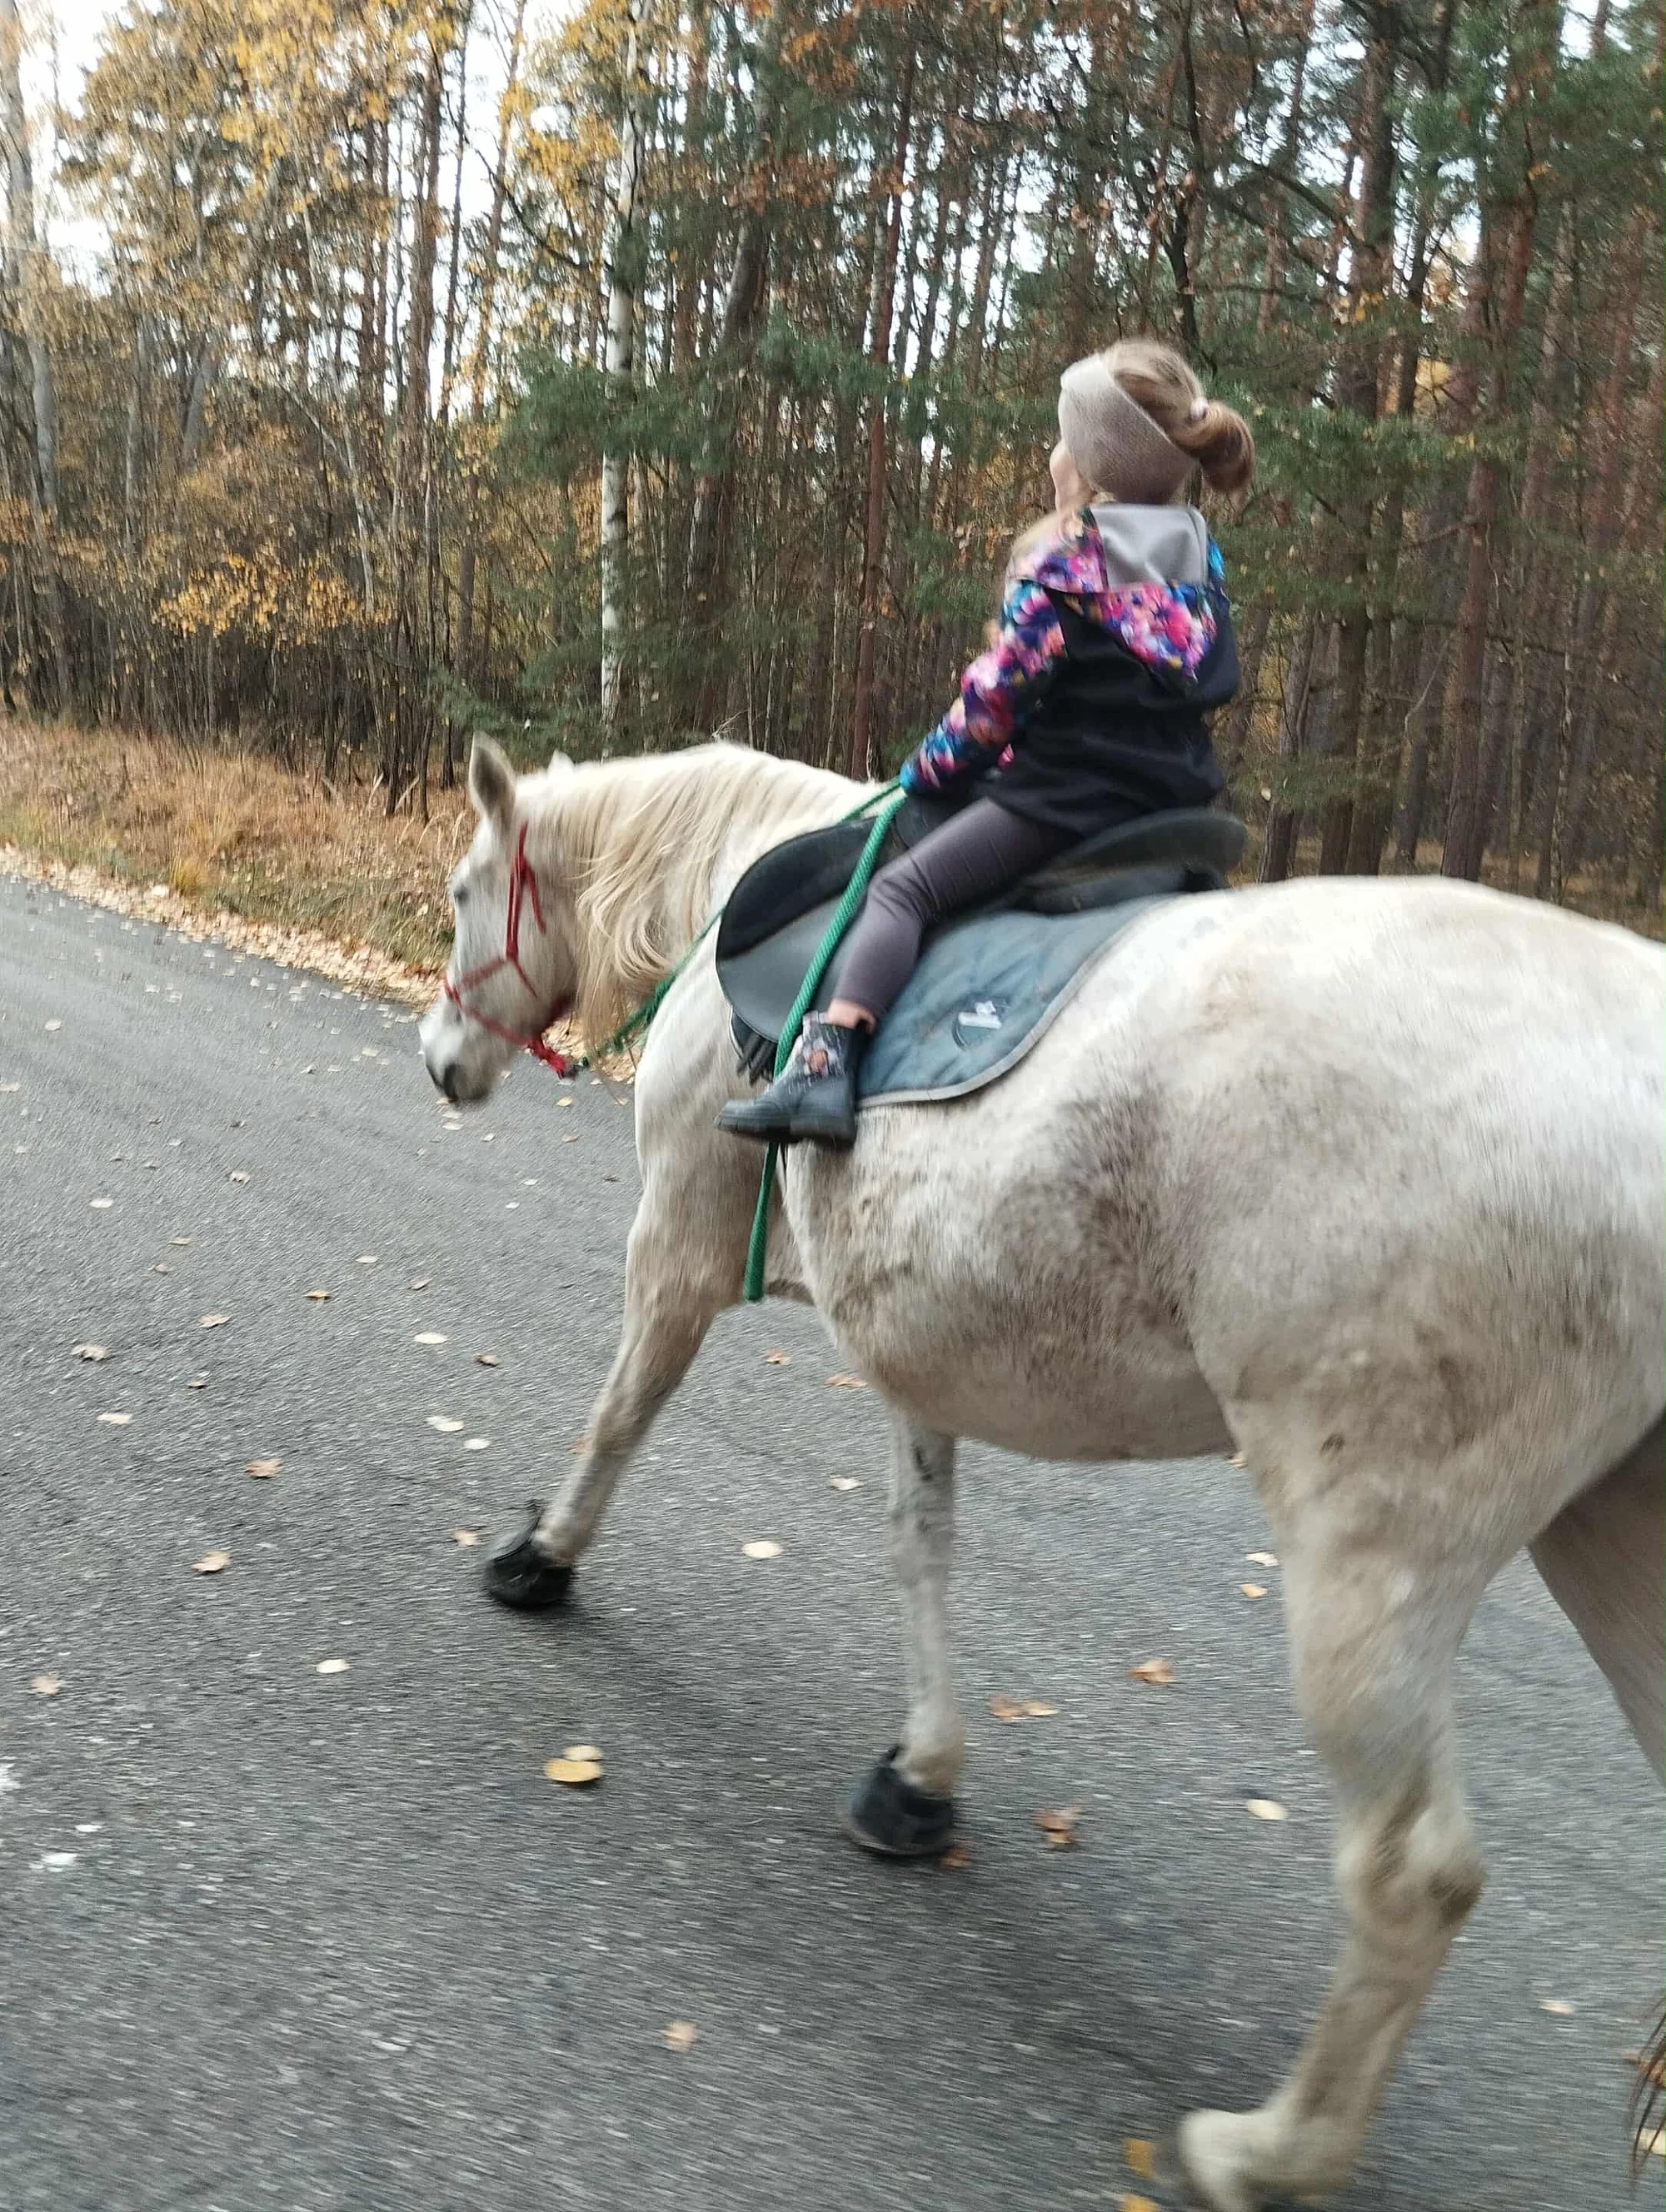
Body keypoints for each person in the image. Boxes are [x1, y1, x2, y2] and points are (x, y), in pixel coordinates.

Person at [717, 337, 1254, 1149]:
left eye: (1063, 433)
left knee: (904, 891)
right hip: (1170, 801)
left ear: (1092, 458)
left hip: (1062, 802)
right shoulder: (1197, 560)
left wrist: (925, 770)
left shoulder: (1068, 570)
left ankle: (827, 1061)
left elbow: (989, 708)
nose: (1053, 449)